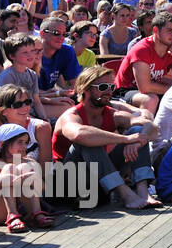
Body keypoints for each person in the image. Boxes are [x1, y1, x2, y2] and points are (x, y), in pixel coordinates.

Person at [52, 65, 161, 209]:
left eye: (112, 86)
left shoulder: (111, 114)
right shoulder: (71, 116)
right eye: (103, 87)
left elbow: (152, 128)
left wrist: (137, 142)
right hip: (69, 183)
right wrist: (125, 139)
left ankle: (142, 190)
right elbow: (79, 134)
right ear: (85, 89)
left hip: (99, 180)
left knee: (137, 131)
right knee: (87, 141)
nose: (109, 91)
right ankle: (125, 194)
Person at [0, 123, 54, 231]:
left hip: (26, 207)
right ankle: (12, 215)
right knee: (9, 168)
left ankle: (37, 214)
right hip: (0, 208)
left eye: (26, 143)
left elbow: (44, 187)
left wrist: (33, 178)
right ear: (3, 143)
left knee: (24, 167)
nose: (24, 147)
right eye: (20, 142)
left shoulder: (29, 162)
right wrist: (23, 179)